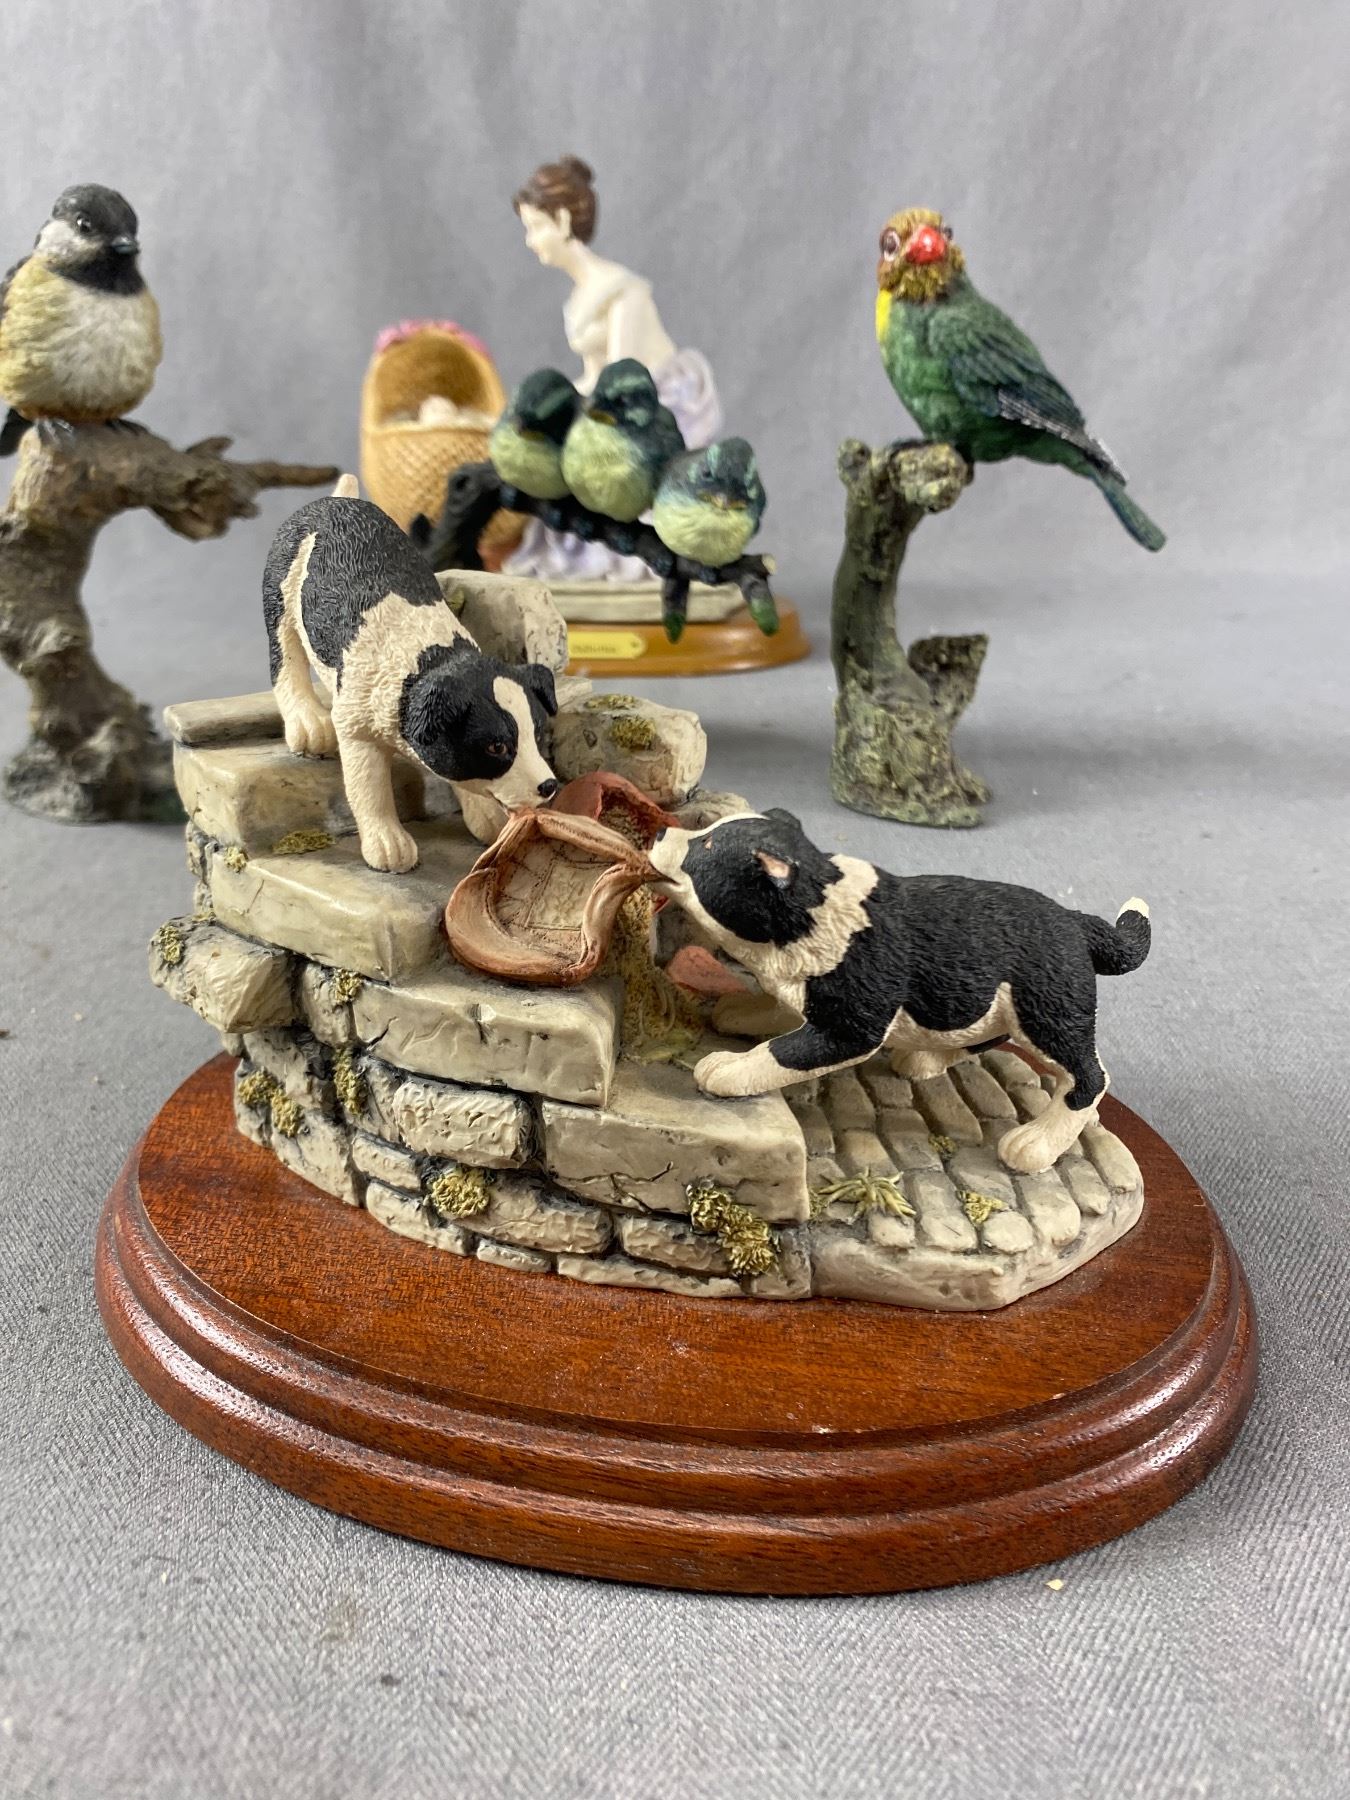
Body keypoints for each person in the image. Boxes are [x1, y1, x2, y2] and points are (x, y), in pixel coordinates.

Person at [505, 155, 723, 585]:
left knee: (591, 460)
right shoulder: (578, 298)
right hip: (612, 401)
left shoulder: (623, 292)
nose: (530, 241)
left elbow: (622, 376)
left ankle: (628, 549)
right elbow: (593, 375)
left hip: (654, 404)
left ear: (562, 221)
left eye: (536, 227)